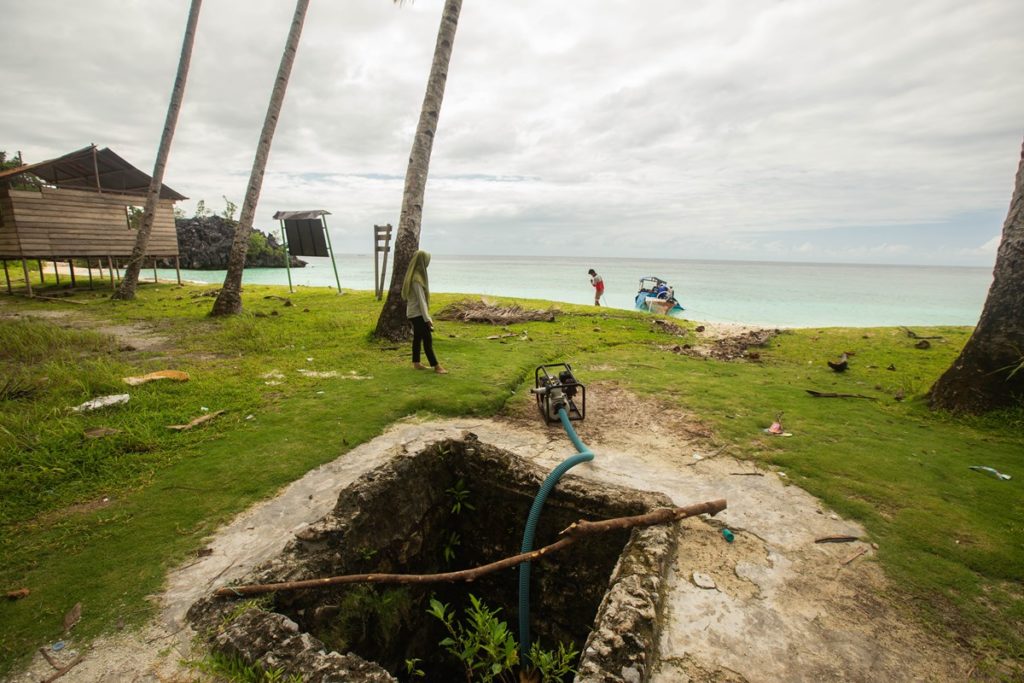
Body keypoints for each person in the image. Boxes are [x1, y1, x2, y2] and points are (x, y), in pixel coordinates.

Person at [403, 250, 447, 374]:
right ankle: (436, 366)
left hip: (413, 312)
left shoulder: (414, 275)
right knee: (427, 339)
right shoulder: (417, 279)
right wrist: (428, 319)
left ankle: (416, 363)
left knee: (417, 338)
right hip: (417, 314)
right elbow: (421, 301)